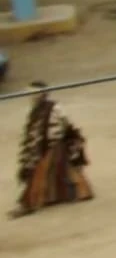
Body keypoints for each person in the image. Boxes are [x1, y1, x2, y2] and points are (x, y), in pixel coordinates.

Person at [13, 86, 92, 218]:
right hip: (43, 147)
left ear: (42, 94)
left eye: (34, 93)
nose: (32, 96)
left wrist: (60, 139)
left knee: (41, 173)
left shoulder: (55, 107)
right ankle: (63, 195)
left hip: (54, 146)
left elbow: (64, 123)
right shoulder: (35, 111)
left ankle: (30, 203)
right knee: (56, 172)